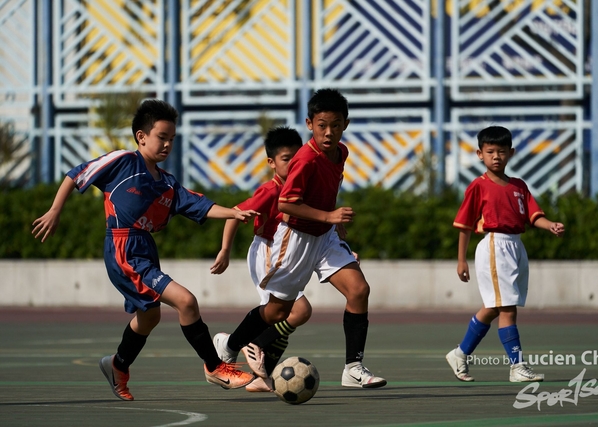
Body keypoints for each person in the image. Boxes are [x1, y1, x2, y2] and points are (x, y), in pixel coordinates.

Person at [31, 99, 258, 401]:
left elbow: (200, 205)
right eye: (161, 137)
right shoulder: (124, 162)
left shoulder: (167, 184)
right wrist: (55, 210)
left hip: (144, 249)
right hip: (123, 248)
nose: (167, 144)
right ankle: (215, 367)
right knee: (186, 302)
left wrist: (233, 212)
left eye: (172, 139)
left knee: (149, 317)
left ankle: (118, 365)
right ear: (141, 137)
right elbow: (76, 173)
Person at [216, 88, 387, 389]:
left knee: (359, 290)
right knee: (279, 311)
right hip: (297, 238)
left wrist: (336, 224)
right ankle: (230, 345)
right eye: (322, 125)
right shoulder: (305, 159)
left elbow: (329, 186)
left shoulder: (341, 152)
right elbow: (285, 204)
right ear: (310, 124)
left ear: (345, 124)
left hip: (326, 238)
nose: (329, 132)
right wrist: (329, 216)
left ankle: (353, 367)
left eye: (336, 124)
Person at [446, 125, 565, 383]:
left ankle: (460, 353)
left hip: (515, 246)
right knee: (508, 307)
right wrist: (460, 259)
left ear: (511, 153)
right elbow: (465, 225)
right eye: (490, 152)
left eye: (501, 151)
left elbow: (535, 216)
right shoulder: (478, 186)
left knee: (494, 307)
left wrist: (550, 225)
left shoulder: (519, 186)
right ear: (480, 154)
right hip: (493, 246)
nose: (496, 156)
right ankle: (517, 366)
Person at [209, 126, 312, 392]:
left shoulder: (303, 187)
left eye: (296, 158)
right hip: (266, 252)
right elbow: (234, 214)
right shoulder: (270, 191)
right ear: (271, 163)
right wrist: (225, 251)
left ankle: (257, 371)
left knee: (290, 313)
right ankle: (236, 345)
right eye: (286, 159)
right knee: (295, 311)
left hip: (286, 252)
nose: (292, 164)